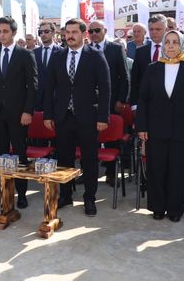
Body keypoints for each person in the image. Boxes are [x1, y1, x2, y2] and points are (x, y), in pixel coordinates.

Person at [137, 30, 184, 222]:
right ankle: (158, 207)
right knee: (157, 170)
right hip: (155, 129)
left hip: (183, 131)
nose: (170, 45)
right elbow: (143, 100)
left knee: (179, 171)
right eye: (167, 42)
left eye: (175, 42)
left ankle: (176, 209)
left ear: (182, 45)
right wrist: (142, 127)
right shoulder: (153, 68)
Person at [44, 18, 111, 217]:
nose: (70, 36)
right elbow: (49, 88)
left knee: (89, 160)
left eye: (74, 32)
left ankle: (89, 198)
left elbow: (106, 88)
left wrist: (103, 117)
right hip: (63, 117)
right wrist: (48, 114)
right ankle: (66, 194)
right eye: (67, 32)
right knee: (64, 158)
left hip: (88, 117)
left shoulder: (96, 56)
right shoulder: (57, 56)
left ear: (84, 34)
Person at [0, 16, 38, 208]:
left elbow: (32, 86)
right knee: (0, 153)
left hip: (19, 113)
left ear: (13, 33)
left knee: (20, 152)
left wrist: (28, 111)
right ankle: (1, 190)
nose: (1, 34)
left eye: (5, 31)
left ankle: (21, 193)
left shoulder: (25, 55)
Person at [88, 20, 130, 185]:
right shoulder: (86, 50)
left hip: (112, 102)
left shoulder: (115, 48)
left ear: (105, 30)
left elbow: (125, 77)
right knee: (89, 138)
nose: (94, 34)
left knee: (112, 139)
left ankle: (112, 173)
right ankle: (88, 172)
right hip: (90, 103)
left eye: (97, 30)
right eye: (91, 31)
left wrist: (121, 100)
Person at [130, 14, 184, 113]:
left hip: (178, 104)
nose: (154, 32)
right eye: (151, 29)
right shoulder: (141, 51)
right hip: (149, 105)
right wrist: (134, 105)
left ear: (166, 30)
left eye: (158, 29)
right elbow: (135, 80)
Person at [34, 21, 62, 111]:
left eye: (46, 31)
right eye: (40, 32)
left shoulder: (63, 53)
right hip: (37, 100)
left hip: (57, 100)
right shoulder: (33, 53)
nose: (43, 34)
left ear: (53, 32)